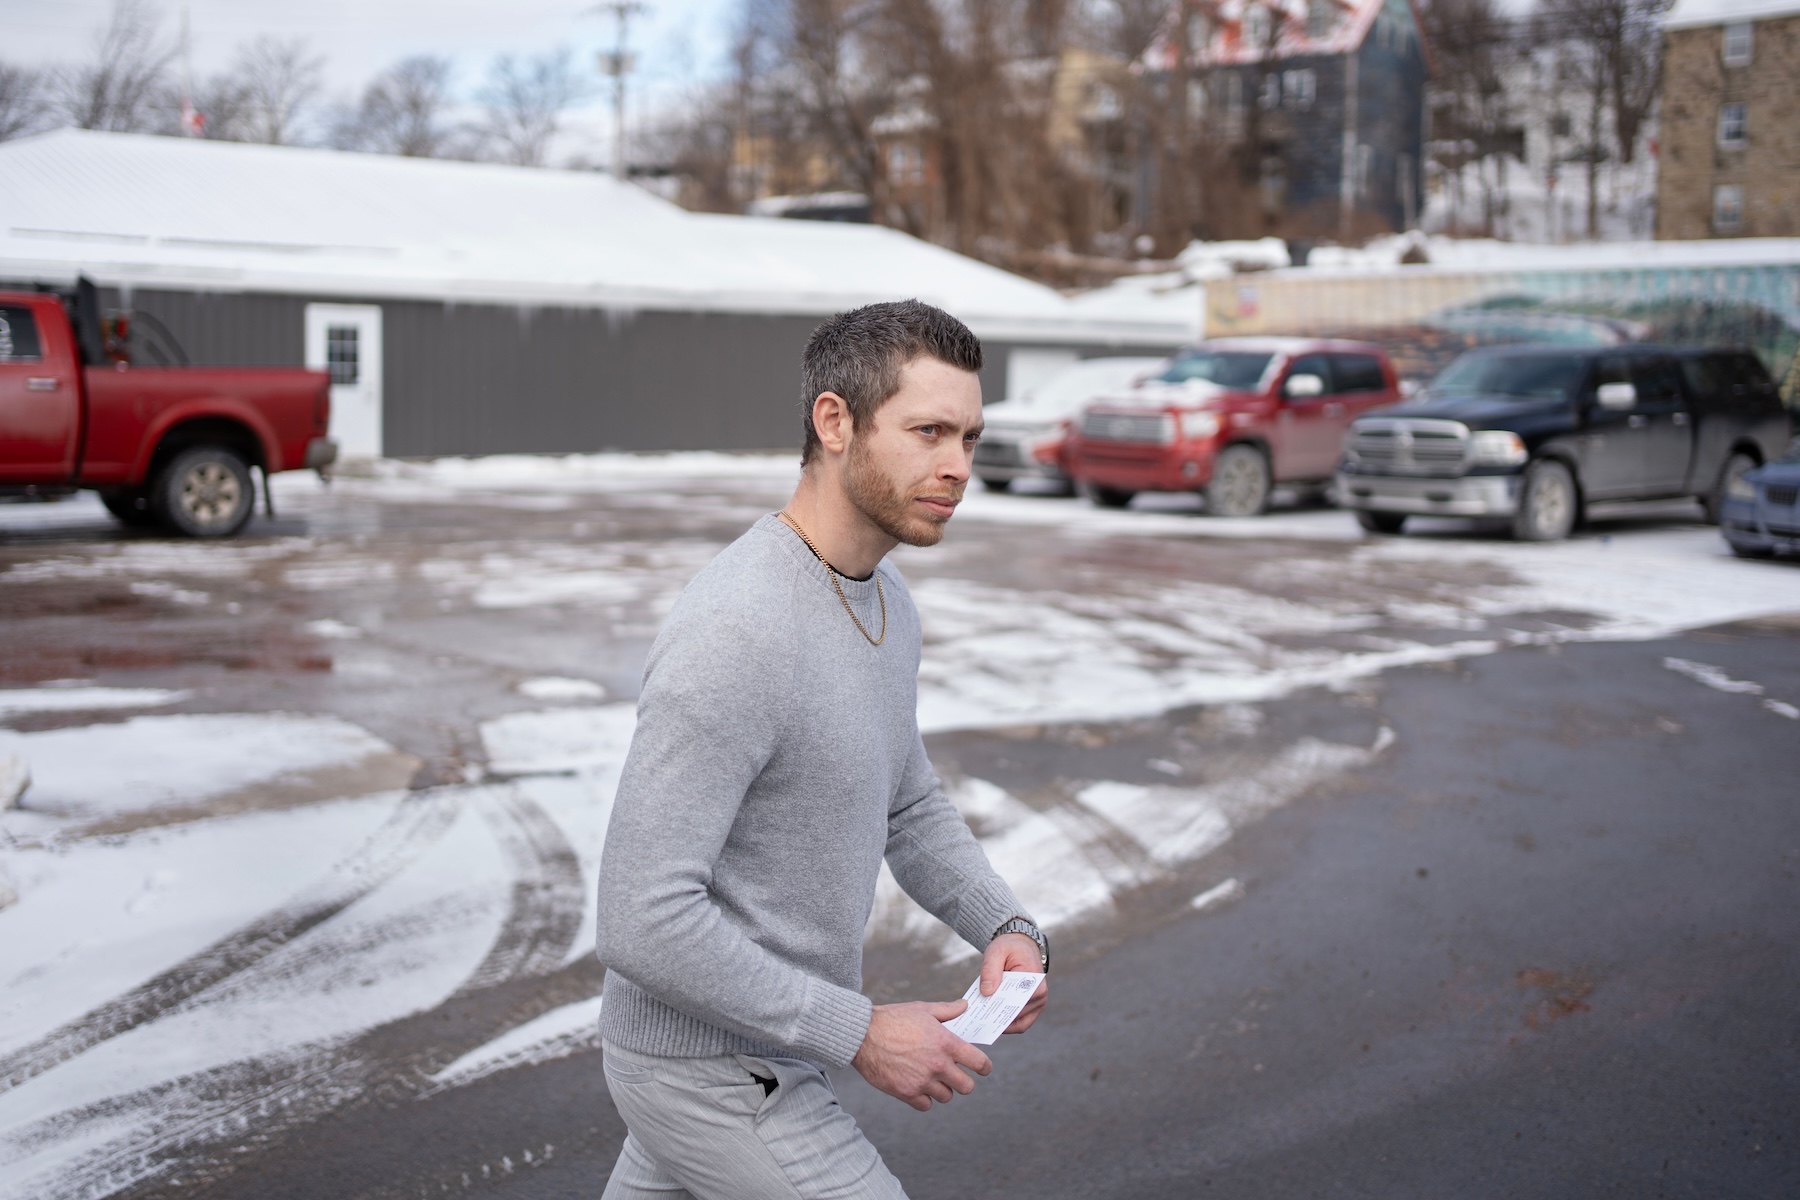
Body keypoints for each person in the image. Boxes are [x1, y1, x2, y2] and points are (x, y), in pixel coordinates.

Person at [593, 300, 1051, 1199]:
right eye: (927, 432)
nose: (958, 467)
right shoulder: (739, 627)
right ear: (834, 421)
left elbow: (906, 801)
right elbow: (640, 916)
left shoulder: (884, 600)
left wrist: (1004, 923)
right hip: (707, 1070)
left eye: (968, 436)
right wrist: (860, 1032)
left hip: (771, 1042)